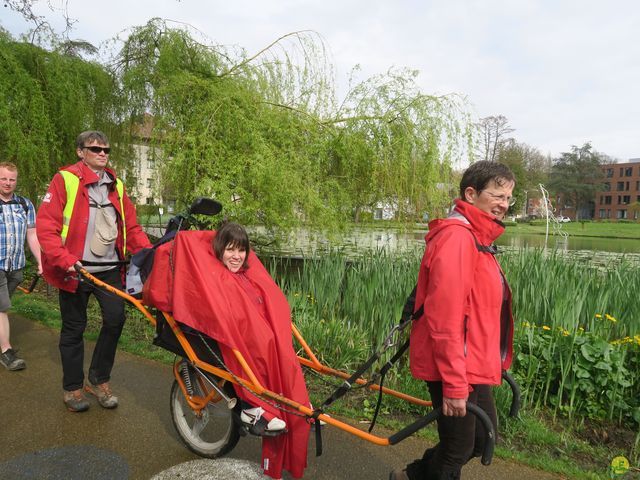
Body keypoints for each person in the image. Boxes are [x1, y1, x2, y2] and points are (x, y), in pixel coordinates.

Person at [143, 223, 310, 480]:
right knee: (262, 346)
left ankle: (294, 398)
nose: (236, 256)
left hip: (258, 332)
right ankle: (253, 406)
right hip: (232, 337)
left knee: (280, 347)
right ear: (219, 250)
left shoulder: (244, 273)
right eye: (230, 249)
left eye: (241, 250)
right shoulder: (213, 276)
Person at [390, 161, 515, 480]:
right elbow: (444, 318)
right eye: (498, 195)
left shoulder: (479, 238)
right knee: (457, 448)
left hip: (472, 361)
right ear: (470, 194)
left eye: (508, 197)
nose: (504, 204)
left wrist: (492, 360)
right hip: (454, 364)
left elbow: (480, 310)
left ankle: (413, 475)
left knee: (478, 441)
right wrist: (455, 383)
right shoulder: (457, 238)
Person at [36, 130, 151, 412]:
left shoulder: (117, 185)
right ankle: (73, 388)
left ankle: (98, 379)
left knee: (115, 320)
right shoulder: (65, 180)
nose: (102, 153)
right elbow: (46, 227)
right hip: (74, 269)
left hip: (109, 268)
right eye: (95, 149)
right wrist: (64, 259)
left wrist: (148, 254)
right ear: (80, 152)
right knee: (74, 328)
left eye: (106, 150)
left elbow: (132, 228)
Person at [0, 162, 42, 371]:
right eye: (3, 179)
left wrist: (40, 261)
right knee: (2, 307)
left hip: (16, 266)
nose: (7, 183)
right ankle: (6, 352)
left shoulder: (25, 205)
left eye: (11, 179)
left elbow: (32, 235)